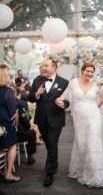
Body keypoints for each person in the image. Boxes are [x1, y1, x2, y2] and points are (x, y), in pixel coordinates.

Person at [60, 63, 103, 188]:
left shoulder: (97, 84)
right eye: (87, 71)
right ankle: (81, 169)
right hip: (79, 118)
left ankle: (96, 175)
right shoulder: (73, 82)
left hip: (94, 116)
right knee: (81, 143)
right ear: (82, 71)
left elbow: (101, 99)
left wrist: (97, 104)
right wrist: (58, 101)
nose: (90, 73)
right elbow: (63, 96)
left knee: (93, 142)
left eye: (92, 72)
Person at [27, 59, 69, 187]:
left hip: (56, 119)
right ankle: (54, 163)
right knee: (49, 144)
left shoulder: (64, 82)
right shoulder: (37, 80)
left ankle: (49, 173)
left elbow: (68, 101)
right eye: (42, 65)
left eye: (46, 66)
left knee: (52, 143)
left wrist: (63, 103)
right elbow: (30, 98)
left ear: (54, 68)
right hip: (41, 119)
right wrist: (37, 94)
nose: (43, 68)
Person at [0, 68, 20, 183]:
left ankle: (1, 169)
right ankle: (9, 174)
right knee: (12, 145)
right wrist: (16, 125)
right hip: (5, 123)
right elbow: (14, 112)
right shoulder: (8, 91)